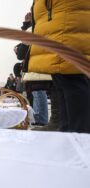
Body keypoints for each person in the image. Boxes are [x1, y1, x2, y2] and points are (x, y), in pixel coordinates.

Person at [28, 0, 90, 133]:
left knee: (72, 78)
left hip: (67, 23)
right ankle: (68, 134)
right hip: (58, 22)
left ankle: (79, 138)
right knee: (62, 79)